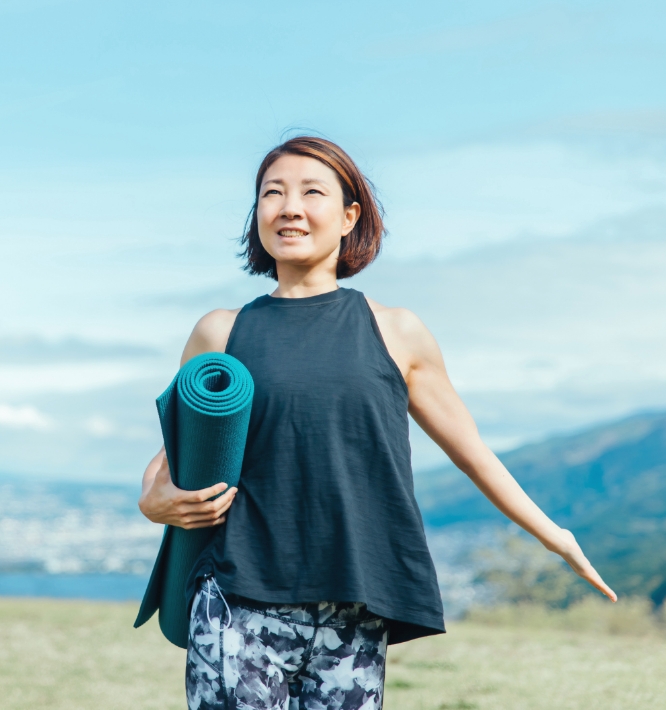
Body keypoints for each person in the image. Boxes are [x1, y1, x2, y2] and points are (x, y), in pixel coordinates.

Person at [138, 136, 616, 710]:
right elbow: (172, 458)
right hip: (237, 595)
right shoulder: (220, 332)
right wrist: (154, 499)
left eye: (311, 192)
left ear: (348, 217)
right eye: (272, 193)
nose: (289, 206)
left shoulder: (397, 332)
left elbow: (473, 453)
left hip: (356, 601)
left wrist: (554, 535)